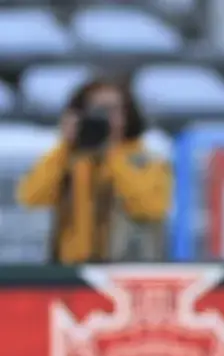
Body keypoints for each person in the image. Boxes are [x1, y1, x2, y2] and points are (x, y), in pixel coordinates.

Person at [16, 78, 171, 264]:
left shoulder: (144, 159)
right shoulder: (68, 158)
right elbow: (30, 197)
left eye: (113, 110)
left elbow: (149, 208)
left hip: (124, 273)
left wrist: (111, 154)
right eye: (97, 110)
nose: (106, 117)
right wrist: (66, 146)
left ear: (127, 114)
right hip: (71, 272)